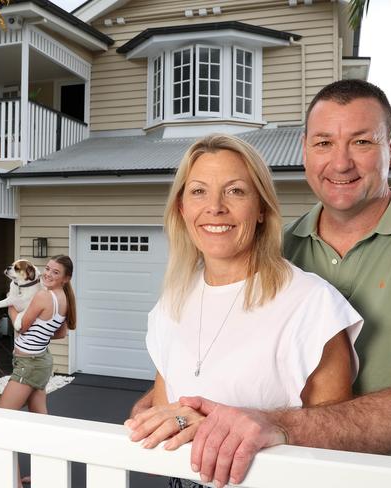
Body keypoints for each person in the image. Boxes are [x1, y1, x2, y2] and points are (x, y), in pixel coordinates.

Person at [172, 79, 391, 486]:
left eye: (361, 142)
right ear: (304, 149)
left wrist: (279, 425)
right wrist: (164, 411)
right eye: (323, 143)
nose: (340, 163)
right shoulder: (277, 250)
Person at [125, 134, 363, 488]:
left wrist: (217, 431)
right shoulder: (170, 305)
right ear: (181, 208)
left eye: (235, 191)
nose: (215, 207)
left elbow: (335, 447)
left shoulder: (312, 305)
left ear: (262, 208)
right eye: (198, 191)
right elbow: (164, 427)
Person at [0, 254, 77, 485]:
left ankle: (14, 480)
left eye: (55, 272)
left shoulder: (43, 295)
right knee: (40, 423)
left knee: (1, 419)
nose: (48, 274)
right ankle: (48, 474)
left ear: (65, 278)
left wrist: (11, 303)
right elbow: (60, 333)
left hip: (29, 364)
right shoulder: (63, 297)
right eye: (48, 269)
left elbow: (19, 326)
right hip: (41, 360)